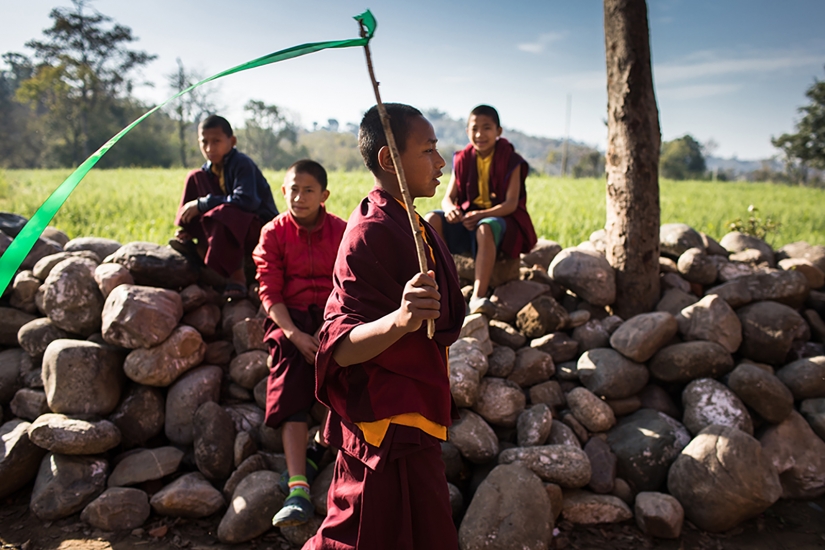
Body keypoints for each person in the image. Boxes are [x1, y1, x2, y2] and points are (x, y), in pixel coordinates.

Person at [303, 104, 466, 550]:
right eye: (429, 150)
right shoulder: (370, 231)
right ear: (390, 160)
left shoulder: (412, 223)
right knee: (358, 537)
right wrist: (400, 319)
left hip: (414, 414)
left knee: (425, 535)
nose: (440, 163)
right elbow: (338, 346)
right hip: (382, 425)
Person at [252, 159, 347, 527]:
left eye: (309, 190)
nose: (299, 196)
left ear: (324, 195)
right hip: (290, 319)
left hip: (332, 317)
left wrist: (330, 330)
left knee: (343, 377)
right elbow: (269, 290)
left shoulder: (341, 231)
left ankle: (319, 450)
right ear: (282, 191)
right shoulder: (273, 233)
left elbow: (350, 284)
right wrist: (293, 333)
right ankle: (298, 489)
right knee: (290, 374)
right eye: (293, 189)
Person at [424, 104, 537, 316]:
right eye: (474, 128)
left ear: (498, 132)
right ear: (467, 131)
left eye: (487, 128)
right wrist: (451, 210)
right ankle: (448, 283)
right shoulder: (463, 159)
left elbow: (511, 204)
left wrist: (482, 215)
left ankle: (477, 296)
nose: (479, 134)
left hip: (499, 221)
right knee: (432, 218)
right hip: (469, 219)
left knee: (485, 228)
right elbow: (449, 199)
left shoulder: (512, 161)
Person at [172, 114, 279, 299]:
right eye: (204, 142)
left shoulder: (242, 164)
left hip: (256, 227)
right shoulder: (208, 169)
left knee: (225, 211)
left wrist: (203, 203)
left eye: (216, 141)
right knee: (194, 177)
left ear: (232, 141)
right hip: (225, 224)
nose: (209, 148)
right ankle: (190, 235)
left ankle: (237, 277)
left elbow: (247, 201)